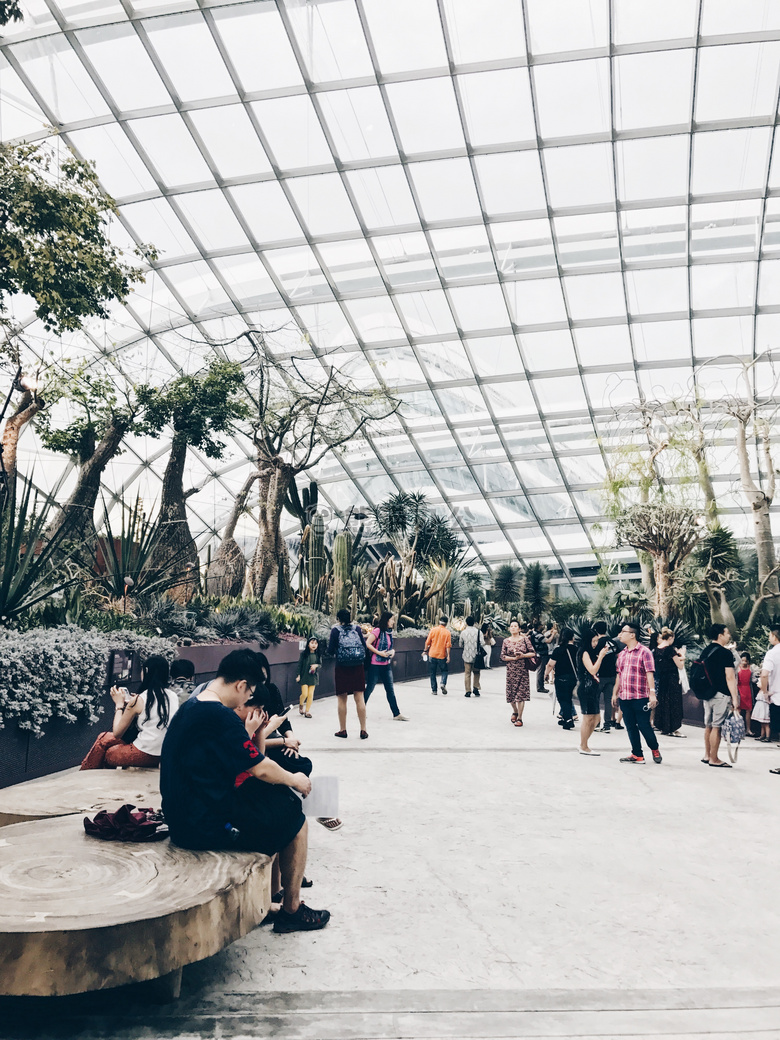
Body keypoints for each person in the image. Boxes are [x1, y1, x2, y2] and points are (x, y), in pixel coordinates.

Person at [160, 649, 330, 933]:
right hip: (202, 826)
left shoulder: (192, 706)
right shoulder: (219, 716)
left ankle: (271, 899)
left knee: (280, 802)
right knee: (294, 818)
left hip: (186, 814)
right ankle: (292, 909)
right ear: (240, 685)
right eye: (249, 691)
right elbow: (260, 768)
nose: (247, 698)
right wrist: (296, 780)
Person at [81, 655, 178, 769]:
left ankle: (85, 776)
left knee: (109, 753)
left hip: (145, 753)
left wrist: (119, 705)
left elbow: (117, 733)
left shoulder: (139, 700)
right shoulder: (173, 696)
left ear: (146, 671)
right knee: (104, 737)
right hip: (164, 753)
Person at [612, 622, 662, 765]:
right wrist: (615, 694)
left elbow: (649, 674)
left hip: (640, 697)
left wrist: (652, 694)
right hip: (625, 697)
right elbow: (619, 675)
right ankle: (637, 754)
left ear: (632, 635)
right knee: (630, 726)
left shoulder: (644, 652)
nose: (620, 634)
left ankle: (654, 748)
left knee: (644, 726)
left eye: (623, 631)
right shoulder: (621, 654)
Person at [699, 623, 740, 768]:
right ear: (720, 635)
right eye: (727, 633)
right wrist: (735, 698)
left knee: (708, 725)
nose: (729, 636)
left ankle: (707, 755)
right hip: (721, 694)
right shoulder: (725, 653)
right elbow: (730, 677)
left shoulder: (706, 651)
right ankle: (714, 758)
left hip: (707, 693)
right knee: (717, 726)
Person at [328, 608, 369, 739]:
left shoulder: (335, 630)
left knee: (342, 698)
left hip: (342, 667)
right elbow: (363, 646)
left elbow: (330, 650)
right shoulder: (357, 629)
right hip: (357, 666)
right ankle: (363, 730)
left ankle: (343, 730)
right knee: (359, 697)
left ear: (338, 619)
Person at [364, 611, 408, 721]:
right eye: (392, 619)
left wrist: (392, 651)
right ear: (387, 620)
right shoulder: (377, 630)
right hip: (375, 664)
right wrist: (379, 653)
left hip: (386, 664)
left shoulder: (388, 633)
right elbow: (368, 644)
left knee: (390, 690)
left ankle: (396, 714)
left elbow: (390, 647)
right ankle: (361, 709)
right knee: (370, 688)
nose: (393, 622)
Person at [577, 631, 609, 755]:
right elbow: (592, 669)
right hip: (586, 687)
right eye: (593, 641)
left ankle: (584, 743)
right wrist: (601, 656)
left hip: (592, 687)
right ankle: (584, 746)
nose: (596, 643)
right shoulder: (584, 652)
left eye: (597, 640)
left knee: (596, 718)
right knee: (588, 718)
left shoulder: (589, 652)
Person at [500, 619, 535, 727]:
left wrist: (523, 656)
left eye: (515, 626)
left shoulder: (525, 640)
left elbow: (533, 653)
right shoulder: (506, 641)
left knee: (521, 695)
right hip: (511, 671)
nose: (513, 628)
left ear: (519, 629)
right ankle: (515, 711)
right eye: (511, 626)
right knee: (511, 695)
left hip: (523, 670)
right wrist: (513, 658)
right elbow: (502, 656)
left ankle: (520, 718)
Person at [653, 627, 686, 737]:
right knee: (673, 702)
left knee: (663, 701)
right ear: (671, 637)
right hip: (672, 679)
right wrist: (683, 656)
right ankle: (673, 727)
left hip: (662, 678)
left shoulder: (657, 649)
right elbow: (679, 666)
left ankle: (663, 726)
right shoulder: (670, 650)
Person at [591, 620, 620, 732]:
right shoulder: (612, 642)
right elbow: (617, 656)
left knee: (596, 699)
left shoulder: (597, 643)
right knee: (608, 700)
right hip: (611, 674)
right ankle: (607, 724)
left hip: (599, 675)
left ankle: (597, 723)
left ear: (596, 630)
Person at [545, 627, 577, 730]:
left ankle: (568, 720)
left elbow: (550, 664)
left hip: (561, 678)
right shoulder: (577, 650)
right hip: (573, 678)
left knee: (562, 699)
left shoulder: (558, 650)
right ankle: (565, 718)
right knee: (568, 698)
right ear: (572, 637)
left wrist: (546, 674)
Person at [760, 626, 780, 743]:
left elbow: (764, 675)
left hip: (776, 696)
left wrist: (765, 692)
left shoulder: (772, 653)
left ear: (774, 636)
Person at [461, 615, 486, 698]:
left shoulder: (463, 632)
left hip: (466, 656)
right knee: (476, 672)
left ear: (466, 623)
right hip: (476, 657)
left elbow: (460, 644)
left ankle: (468, 691)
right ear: (474, 623)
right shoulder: (479, 632)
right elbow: (483, 643)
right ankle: (476, 688)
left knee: (467, 673)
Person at [425, 616, 452, 695]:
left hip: (432, 654)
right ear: (446, 623)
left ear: (439, 621)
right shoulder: (447, 632)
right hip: (441, 655)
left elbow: (427, 642)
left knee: (432, 673)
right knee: (444, 671)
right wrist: (448, 656)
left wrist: (425, 650)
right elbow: (448, 645)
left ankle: (434, 690)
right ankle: (442, 683)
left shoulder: (433, 630)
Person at [296, 636, 321, 718]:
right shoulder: (303, 654)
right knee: (304, 694)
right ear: (308, 644)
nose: (314, 645)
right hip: (304, 677)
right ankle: (301, 704)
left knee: (310, 694)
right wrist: (298, 675)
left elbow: (320, 664)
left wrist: (316, 665)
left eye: (316, 643)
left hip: (313, 677)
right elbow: (299, 665)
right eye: (312, 643)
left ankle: (307, 711)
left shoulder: (318, 654)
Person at [737, 652, 757, 737]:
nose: (744, 662)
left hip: (748, 690)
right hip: (739, 689)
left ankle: (748, 729)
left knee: (748, 710)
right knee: (738, 710)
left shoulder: (751, 668)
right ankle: (737, 729)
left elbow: (753, 680)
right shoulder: (737, 668)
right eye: (742, 660)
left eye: (745, 661)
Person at [532, 622, 549, 692]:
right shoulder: (538, 634)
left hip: (540, 654)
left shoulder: (535, 633)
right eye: (541, 625)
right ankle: (540, 687)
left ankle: (541, 686)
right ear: (539, 626)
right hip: (541, 654)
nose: (543, 626)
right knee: (541, 671)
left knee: (541, 670)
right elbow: (548, 641)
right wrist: (553, 634)